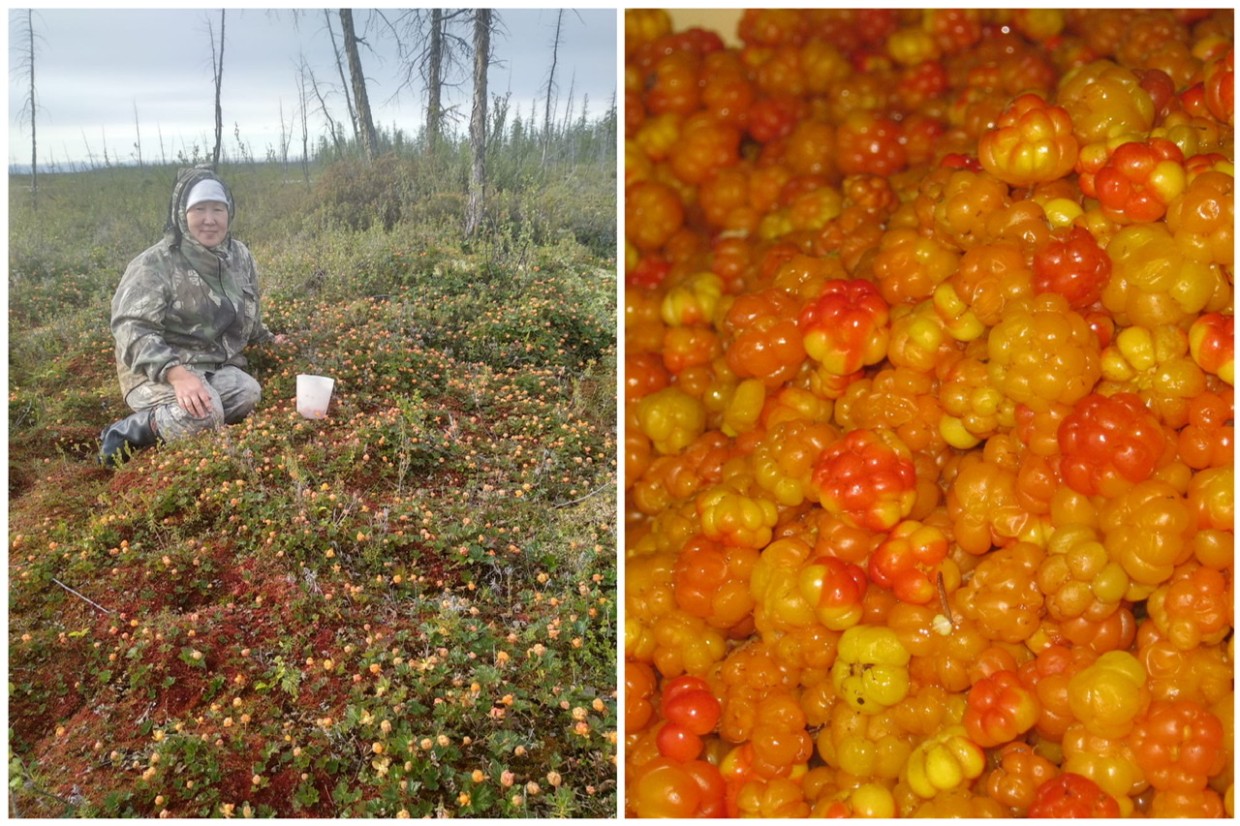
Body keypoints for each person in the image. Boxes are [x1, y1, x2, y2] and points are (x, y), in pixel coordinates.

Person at [99, 166, 286, 466]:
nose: (209, 219)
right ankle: (128, 432)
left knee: (248, 393)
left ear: (229, 212)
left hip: (211, 365)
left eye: (218, 209)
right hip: (157, 372)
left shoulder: (239, 256)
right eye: (199, 209)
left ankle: (193, 409)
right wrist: (177, 375)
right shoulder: (155, 264)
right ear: (181, 213)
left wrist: (269, 340)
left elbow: (249, 311)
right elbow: (130, 329)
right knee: (205, 415)